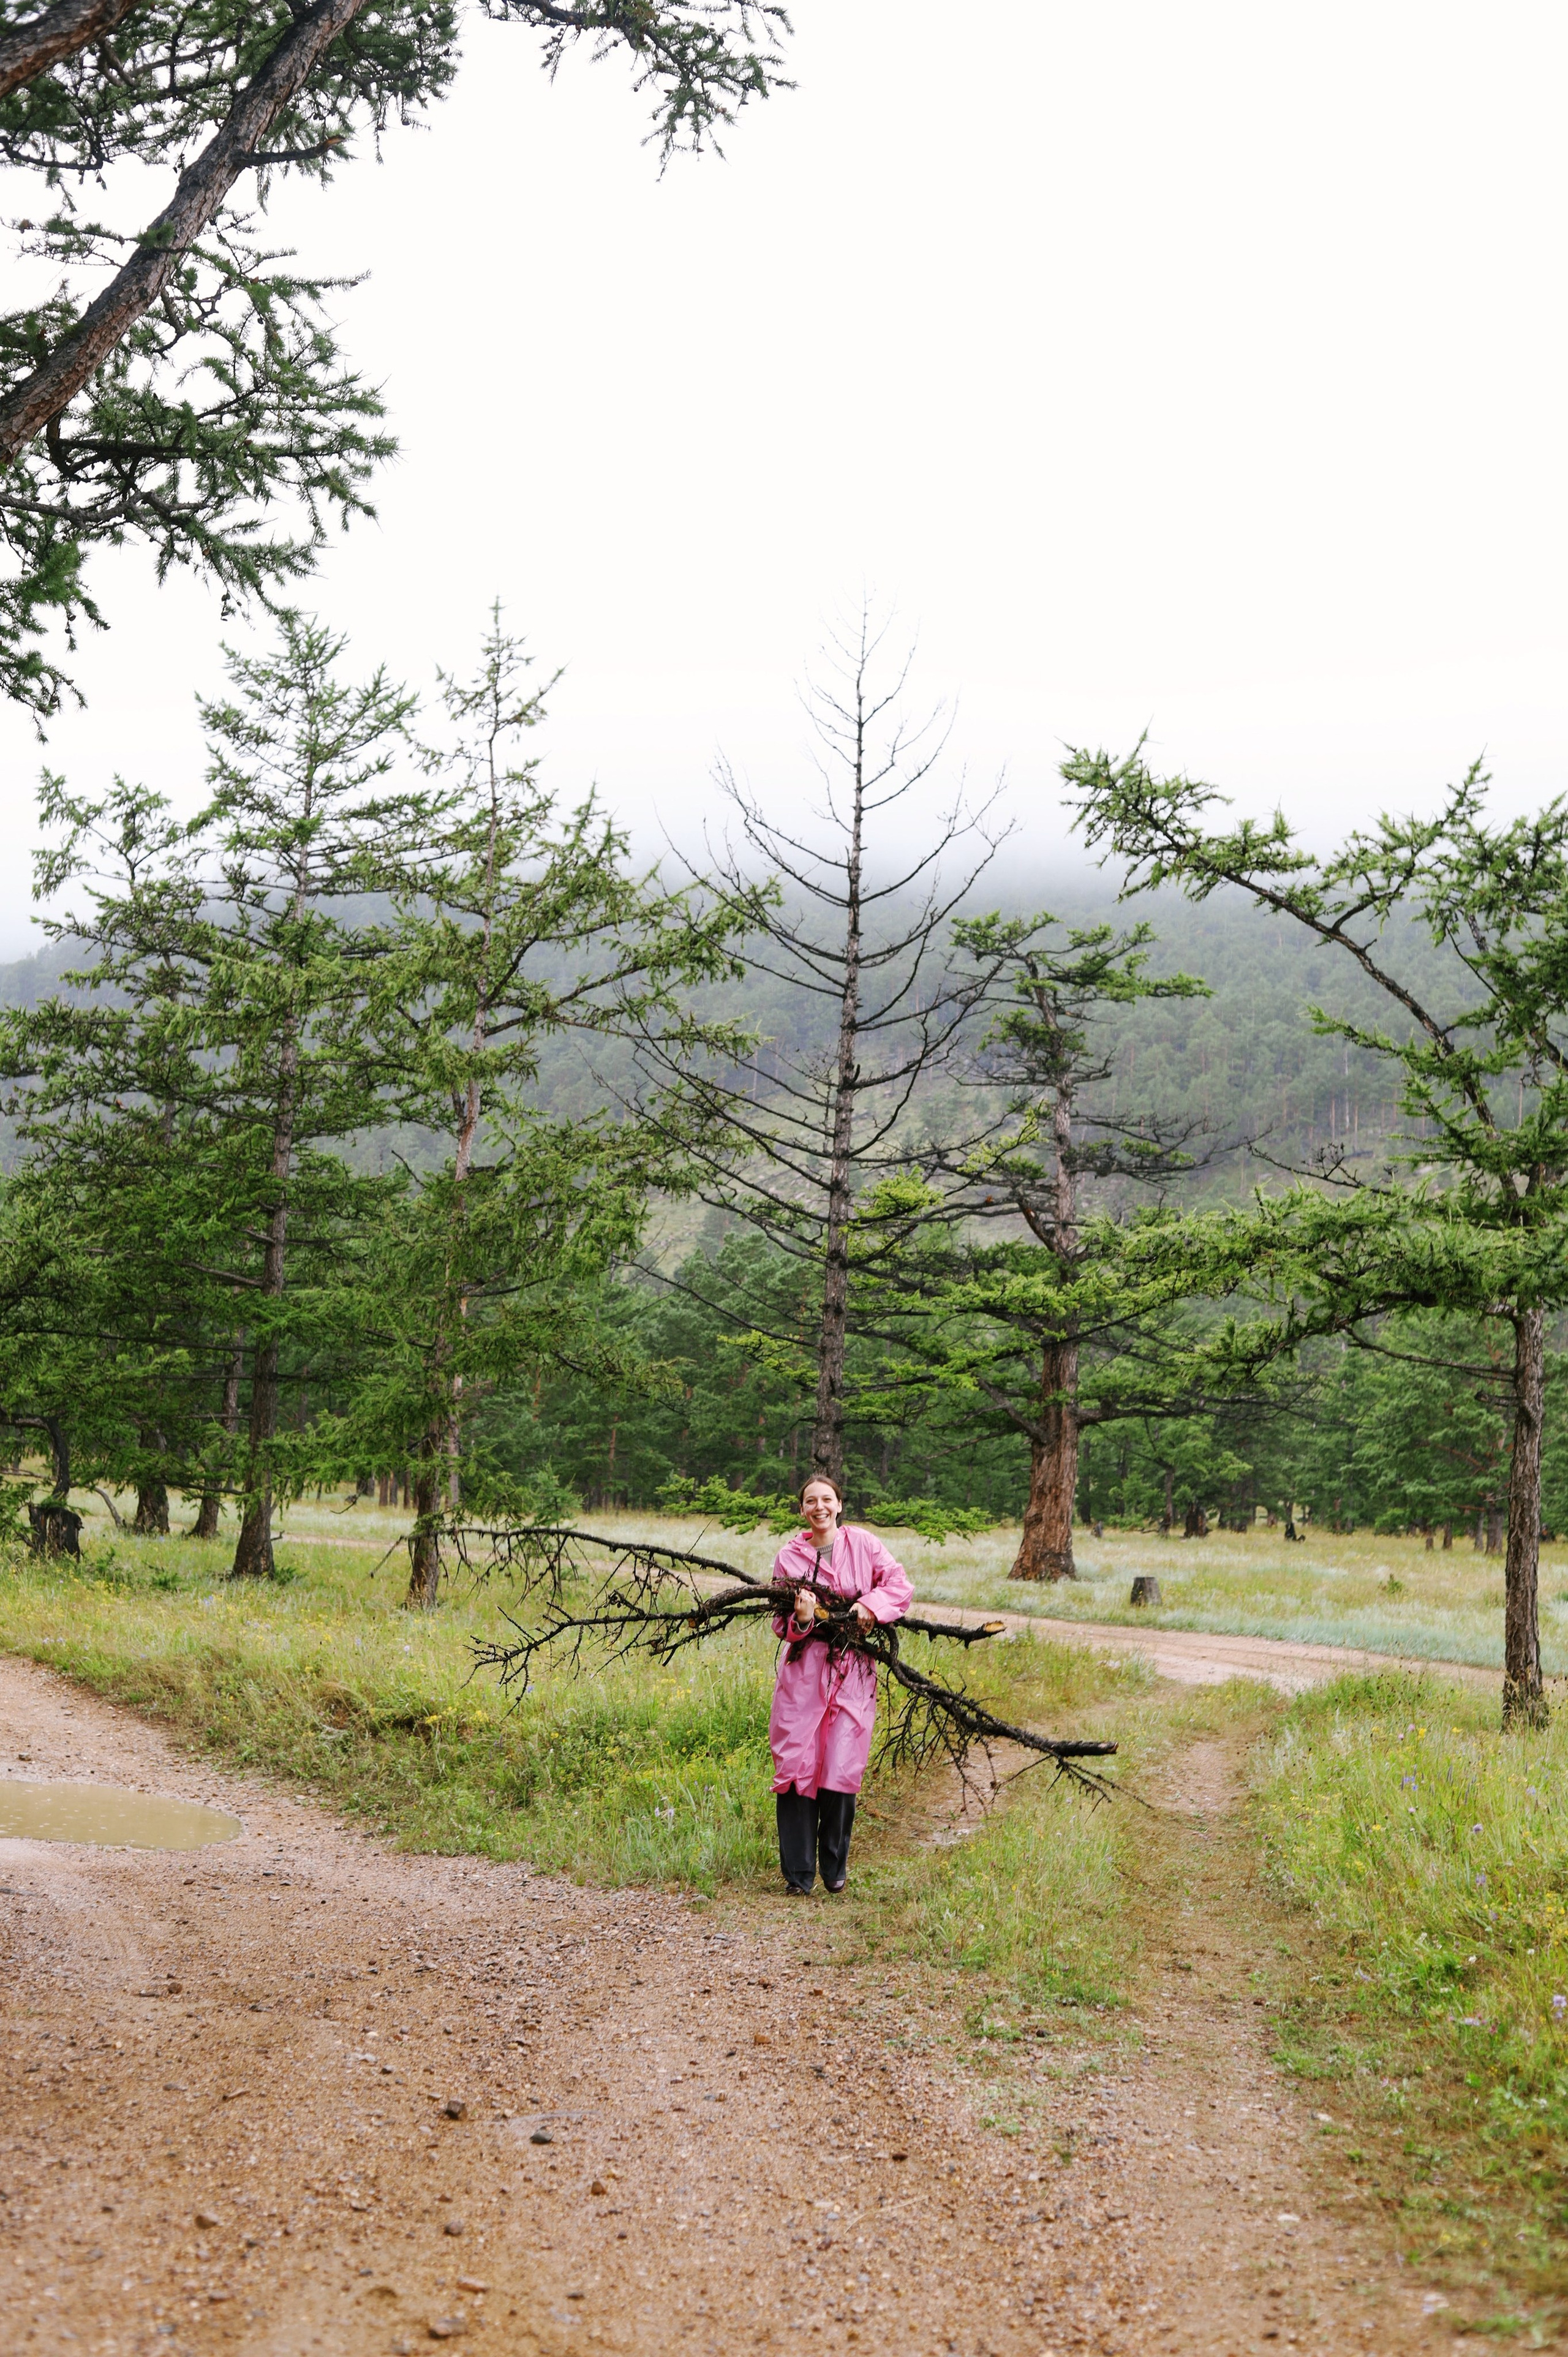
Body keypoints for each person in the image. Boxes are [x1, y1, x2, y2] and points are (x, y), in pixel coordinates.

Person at [768, 1473, 913, 1895]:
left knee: (840, 1767)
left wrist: (871, 1605)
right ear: (802, 1510)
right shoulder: (788, 1557)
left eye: (827, 1499)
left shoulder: (865, 1545)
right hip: (803, 1673)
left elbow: (899, 1585)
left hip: (853, 1671)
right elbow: (780, 1621)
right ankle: (798, 1876)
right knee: (797, 1769)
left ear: (839, 1505)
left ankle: (834, 1869)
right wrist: (803, 1619)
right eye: (810, 1501)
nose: (819, 1507)